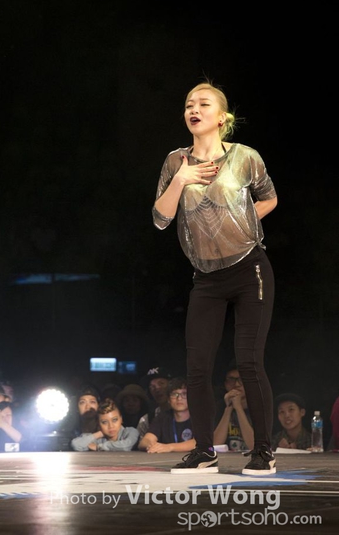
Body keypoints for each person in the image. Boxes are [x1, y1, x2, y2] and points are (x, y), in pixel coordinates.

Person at [152, 80, 278, 475]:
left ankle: (264, 451)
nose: (194, 109)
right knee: (197, 367)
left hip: (249, 268)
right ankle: (205, 451)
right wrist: (181, 180)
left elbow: (270, 197)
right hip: (205, 276)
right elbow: (160, 219)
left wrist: (240, 222)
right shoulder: (175, 161)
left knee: (249, 361)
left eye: (203, 104)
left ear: (221, 118)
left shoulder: (244, 157)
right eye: (189, 104)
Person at [138, 377, 195, 454]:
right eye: (174, 394)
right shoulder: (162, 417)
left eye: (184, 394)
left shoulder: (199, 418)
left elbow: (200, 443)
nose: (179, 398)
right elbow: (145, 441)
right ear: (168, 399)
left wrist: (169, 447)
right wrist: (153, 446)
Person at [71, 399, 139, 452]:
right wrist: (98, 434)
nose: (111, 426)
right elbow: (76, 445)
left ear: (121, 419)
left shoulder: (130, 431)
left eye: (114, 420)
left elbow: (125, 446)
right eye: (104, 422)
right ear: (98, 423)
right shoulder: (99, 439)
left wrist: (99, 447)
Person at [213, 363, 254, 451]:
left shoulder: (257, 407)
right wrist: (228, 408)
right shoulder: (220, 406)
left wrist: (238, 408)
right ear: (225, 384)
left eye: (241, 380)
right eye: (231, 380)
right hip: (226, 457)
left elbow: (254, 446)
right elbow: (215, 445)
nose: (237, 384)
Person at [137, 366, 173, 438]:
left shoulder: (189, 415)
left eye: (161, 383)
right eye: (152, 386)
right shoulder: (146, 420)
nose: (157, 388)